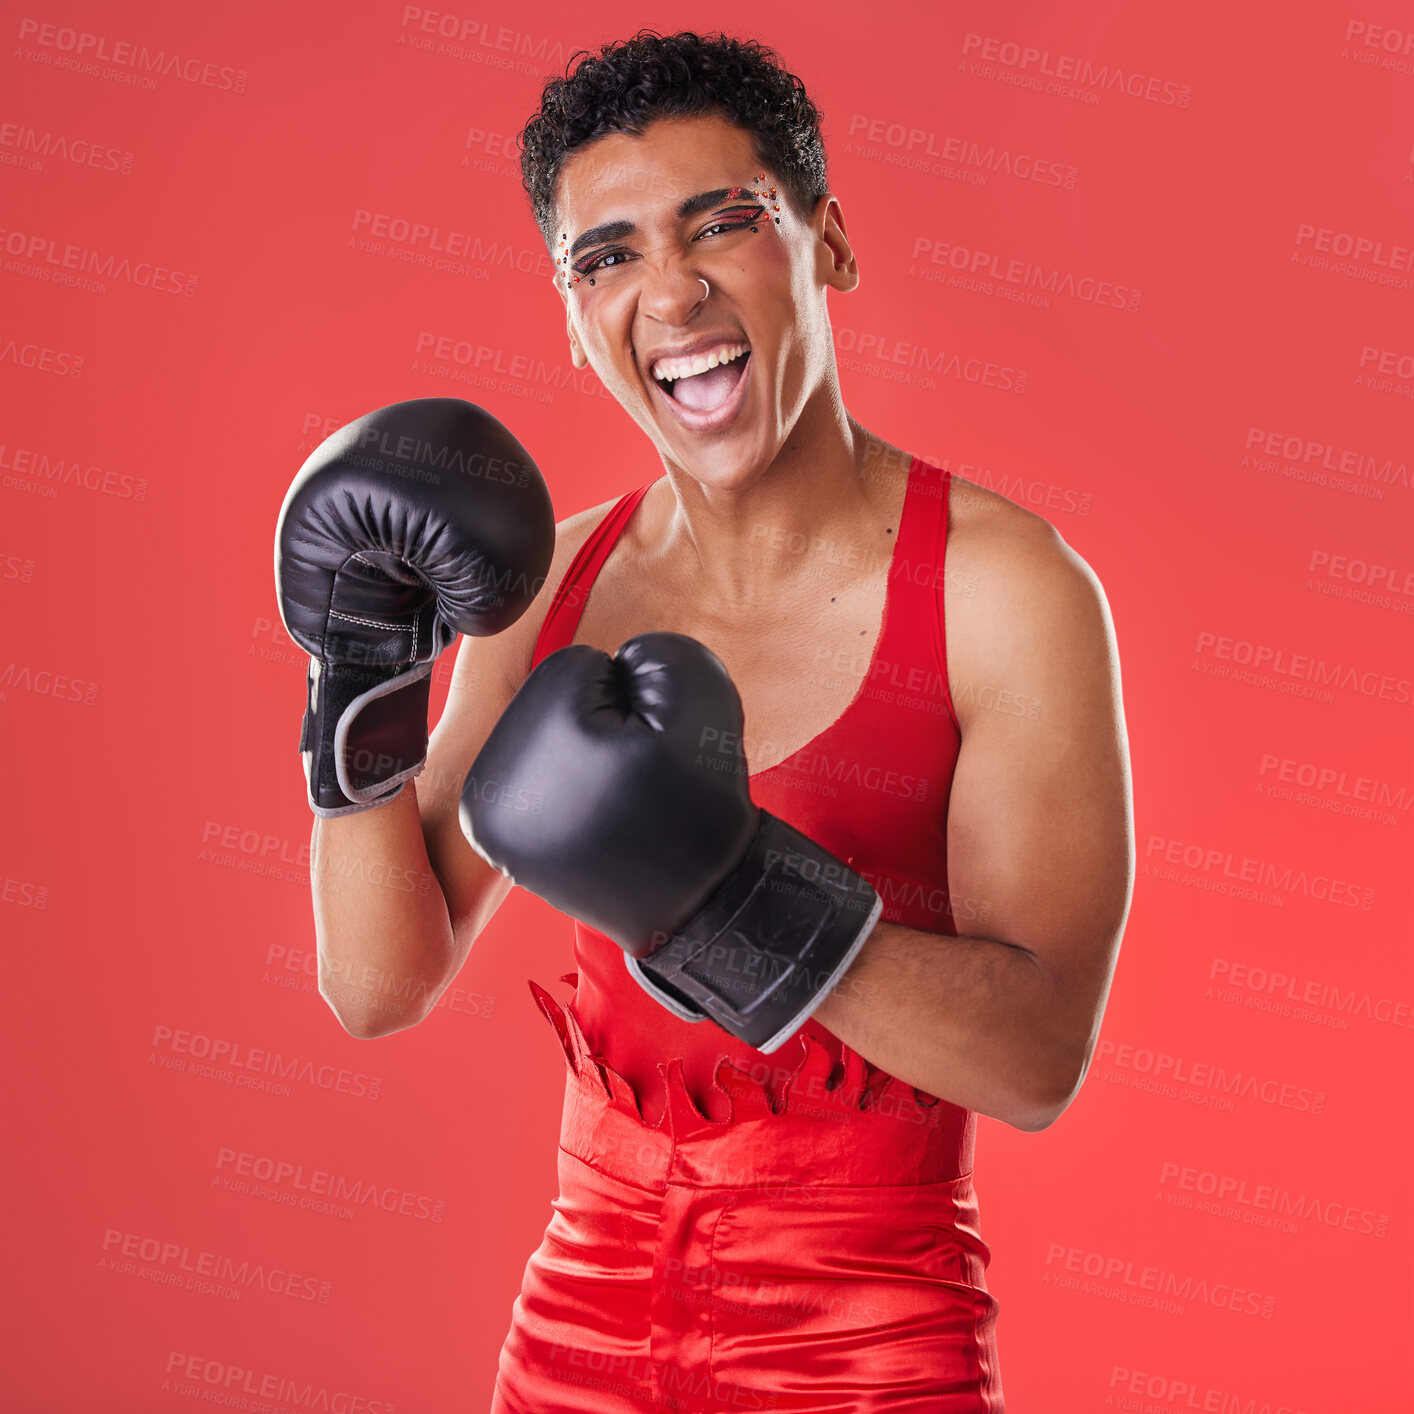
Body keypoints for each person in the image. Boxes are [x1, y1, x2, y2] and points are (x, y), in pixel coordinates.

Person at [282, 29, 1133, 1414]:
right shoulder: (554, 581)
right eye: (604, 256)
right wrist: (353, 681)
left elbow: (1035, 1058)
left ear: (828, 244)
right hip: (573, 1331)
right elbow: (378, 984)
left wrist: (721, 894)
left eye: (720, 224)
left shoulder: (999, 591)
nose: (668, 292)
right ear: (569, 314)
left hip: (864, 1342)